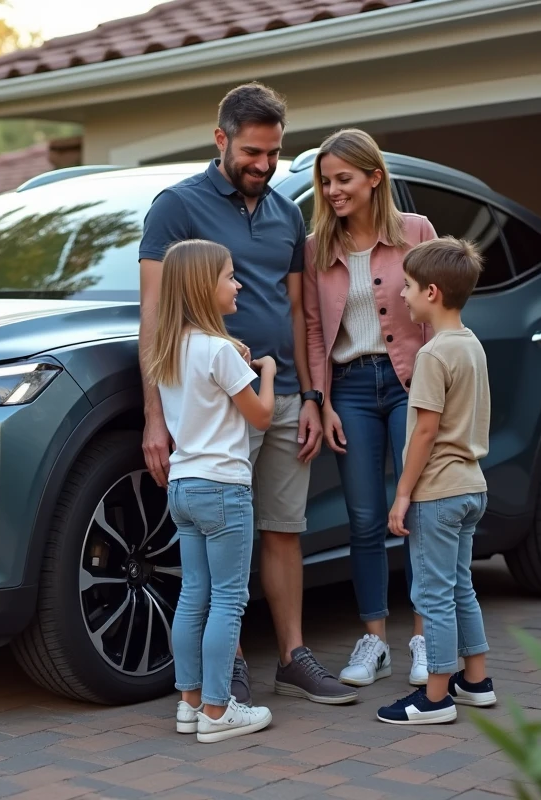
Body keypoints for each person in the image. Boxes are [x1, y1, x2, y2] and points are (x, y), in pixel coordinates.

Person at [140, 82, 356, 706]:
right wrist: (156, 418)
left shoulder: (288, 213)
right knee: (220, 549)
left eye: (274, 154)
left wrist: (313, 395)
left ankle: (292, 656)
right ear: (221, 140)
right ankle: (227, 670)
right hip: (220, 399)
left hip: (283, 393)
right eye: (253, 152)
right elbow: (153, 314)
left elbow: (298, 312)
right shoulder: (175, 207)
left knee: (283, 528)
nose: (264, 165)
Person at [303, 128, 437, 689]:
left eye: (344, 179)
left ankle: (428, 639)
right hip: (352, 390)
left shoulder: (416, 232)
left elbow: (440, 314)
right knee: (362, 519)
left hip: (410, 385)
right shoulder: (316, 249)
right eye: (326, 181)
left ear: (373, 177)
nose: (333, 190)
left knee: (421, 514)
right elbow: (313, 330)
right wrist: (322, 398)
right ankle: (375, 641)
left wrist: (438, 394)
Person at [148, 238, 275, 742]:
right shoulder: (220, 350)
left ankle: (190, 702)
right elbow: (261, 415)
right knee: (228, 600)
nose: (237, 283)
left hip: (183, 487)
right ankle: (220, 713)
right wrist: (264, 370)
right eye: (229, 276)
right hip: (223, 489)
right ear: (205, 286)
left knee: (193, 596)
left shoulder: (170, 348)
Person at [377, 236, 497, 725]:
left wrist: (402, 495)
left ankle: (435, 697)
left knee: (432, 594)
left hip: (438, 493)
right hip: (471, 486)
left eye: (406, 287)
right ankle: (477, 680)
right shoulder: (471, 345)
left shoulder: (432, 355)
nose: (400, 296)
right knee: (461, 587)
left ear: (431, 292)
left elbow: (425, 431)